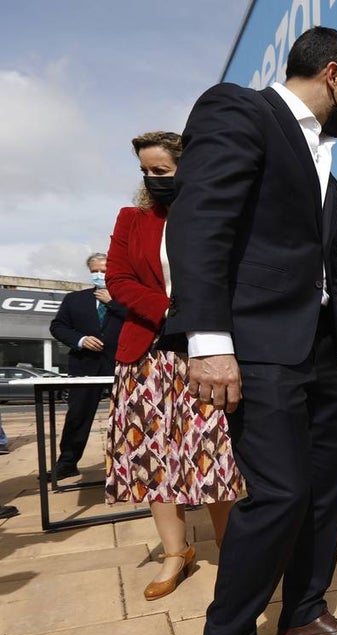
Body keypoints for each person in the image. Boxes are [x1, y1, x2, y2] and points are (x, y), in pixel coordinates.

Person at [166, 27, 337, 635]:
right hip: (257, 342)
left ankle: (301, 615)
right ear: (333, 73)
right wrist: (207, 338)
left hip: (318, 349)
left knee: (327, 481)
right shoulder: (240, 111)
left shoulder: (326, 168)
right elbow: (200, 220)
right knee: (279, 491)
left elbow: (330, 274)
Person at [104, 131, 243, 601]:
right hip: (146, 356)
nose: (151, 179)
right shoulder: (133, 219)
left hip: (207, 354)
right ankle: (175, 552)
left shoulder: (217, 213)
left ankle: (231, 548)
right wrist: (168, 309)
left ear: (188, 166)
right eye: (145, 171)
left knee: (215, 455)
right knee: (153, 460)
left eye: (160, 170)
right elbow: (118, 279)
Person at [48, 254, 124, 480]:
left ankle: (127, 465)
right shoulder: (74, 299)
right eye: (94, 271)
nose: (99, 274)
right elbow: (58, 326)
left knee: (126, 417)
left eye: (103, 269)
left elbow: (139, 320)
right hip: (85, 365)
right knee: (77, 415)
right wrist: (80, 340)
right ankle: (68, 462)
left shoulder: (126, 297)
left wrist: (113, 303)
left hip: (120, 364)